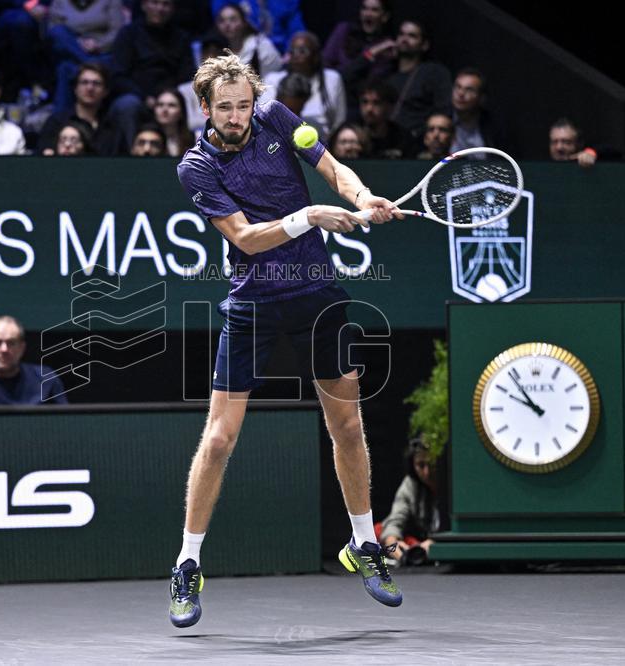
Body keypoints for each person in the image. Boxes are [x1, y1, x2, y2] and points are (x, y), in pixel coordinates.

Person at [170, 51, 403, 629]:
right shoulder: (195, 166)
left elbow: (329, 167)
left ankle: (361, 545)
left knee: (347, 425)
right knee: (220, 438)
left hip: (317, 295)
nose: (236, 116)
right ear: (205, 107)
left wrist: (360, 197)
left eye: (242, 104)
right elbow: (246, 239)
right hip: (253, 303)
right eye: (224, 108)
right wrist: (311, 218)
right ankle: (187, 563)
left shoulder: (276, 116)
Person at [108, 0, 195, 149]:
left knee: (175, 104)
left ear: (172, 8)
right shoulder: (128, 34)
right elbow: (118, 75)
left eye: (165, 4)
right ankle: (135, 155)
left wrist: (167, 97)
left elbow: (186, 75)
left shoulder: (181, 38)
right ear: (144, 5)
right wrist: (145, 97)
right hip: (137, 97)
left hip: (169, 95)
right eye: (154, 3)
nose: (160, 8)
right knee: (128, 105)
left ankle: (181, 154)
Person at [0, 316, 68, 405]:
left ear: (22, 347)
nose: (4, 349)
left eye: (11, 343)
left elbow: (65, 422)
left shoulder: (45, 379)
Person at [259, 32, 346, 135]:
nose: (296, 56)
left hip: (323, 139)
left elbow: (339, 121)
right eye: (292, 51)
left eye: (302, 51)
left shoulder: (332, 79)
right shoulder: (273, 79)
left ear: (316, 56)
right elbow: (263, 117)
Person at [45, 0, 125, 111]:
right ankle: (89, 62)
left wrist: (99, 44)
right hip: (71, 48)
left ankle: (59, 120)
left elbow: (118, 32)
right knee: (58, 34)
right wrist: (77, 43)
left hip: (101, 52)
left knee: (66, 68)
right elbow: (53, 28)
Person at [322, 0, 396, 118]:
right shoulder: (344, 31)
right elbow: (333, 76)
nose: (368, 14)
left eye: (374, 10)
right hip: (333, 99)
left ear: (385, 16)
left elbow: (370, 85)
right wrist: (370, 54)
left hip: (363, 108)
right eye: (365, 9)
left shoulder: (387, 47)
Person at [37, 63, 123, 156]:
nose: (90, 88)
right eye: (84, 82)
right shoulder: (57, 122)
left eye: (96, 83)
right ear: (75, 88)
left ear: (105, 91)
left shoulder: (113, 126)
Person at [385, 19, 452, 138]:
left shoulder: (433, 72)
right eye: (401, 34)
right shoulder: (387, 74)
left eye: (412, 36)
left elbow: (444, 110)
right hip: (389, 140)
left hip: (419, 141)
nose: (404, 39)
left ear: (424, 45)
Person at [377, 438, 439, 566]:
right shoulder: (410, 485)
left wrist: (435, 542)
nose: (427, 472)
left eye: (432, 464)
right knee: (378, 530)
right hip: (418, 543)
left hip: (444, 543)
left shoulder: (455, 484)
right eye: (421, 465)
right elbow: (395, 521)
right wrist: (396, 548)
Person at [212, 3, 282, 76]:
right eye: (221, 20)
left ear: (244, 22)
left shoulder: (261, 46)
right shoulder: (216, 49)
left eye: (233, 19)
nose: (227, 24)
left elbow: (273, 79)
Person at [449, 67, 507, 153]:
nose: (461, 93)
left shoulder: (495, 127)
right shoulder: (440, 120)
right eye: (458, 87)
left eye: (469, 90)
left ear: (481, 97)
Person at [357, 78, 411, 159]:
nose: (369, 109)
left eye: (376, 103)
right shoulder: (351, 136)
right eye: (365, 102)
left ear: (389, 107)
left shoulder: (403, 138)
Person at [153, 88, 197, 157]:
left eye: (171, 105)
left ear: (181, 113)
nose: (164, 109)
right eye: (160, 105)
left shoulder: (195, 140)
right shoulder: (145, 138)